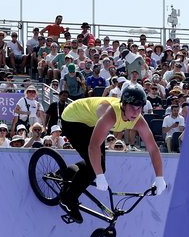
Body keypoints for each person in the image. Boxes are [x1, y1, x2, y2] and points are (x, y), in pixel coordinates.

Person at [57, 88, 166, 223]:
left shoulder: (138, 119)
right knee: (95, 169)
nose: (136, 112)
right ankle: (68, 199)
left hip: (90, 121)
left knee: (98, 165)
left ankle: (69, 171)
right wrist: (99, 175)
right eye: (132, 107)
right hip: (73, 119)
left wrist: (160, 177)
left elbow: (153, 149)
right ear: (124, 104)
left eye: (140, 108)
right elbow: (93, 146)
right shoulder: (110, 115)